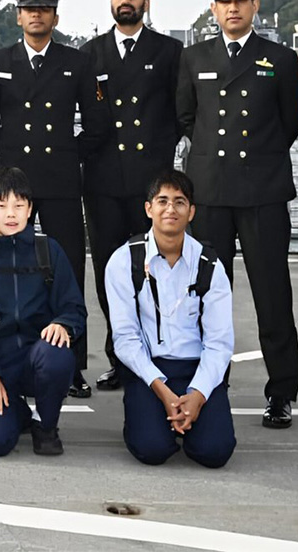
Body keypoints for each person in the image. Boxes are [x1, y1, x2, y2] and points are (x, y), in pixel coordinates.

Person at [177, 0, 298, 429]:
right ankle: (211, 385)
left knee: (273, 296)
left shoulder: (281, 59)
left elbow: (289, 123)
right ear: (213, 9)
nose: (232, 7)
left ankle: (281, 392)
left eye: (241, 0)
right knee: (208, 296)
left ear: (255, 5)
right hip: (210, 192)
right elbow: (186, 117)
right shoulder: (195, 58)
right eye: (224, 1)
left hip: (263, 191)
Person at [0, 0, 108, 397]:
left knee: (67, 268)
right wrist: (17, 159)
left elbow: (96, 123)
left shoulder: (77, 61)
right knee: (8, 269)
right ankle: (11, 353)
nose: (36, 14)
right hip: (13, 186)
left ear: (55, 16)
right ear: (18, 16)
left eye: (44, 9)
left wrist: (65, 154)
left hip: (61, 180)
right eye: (29, 8)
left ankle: (71, 365)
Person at [79, 0, 181, 393]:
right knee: (109, 272)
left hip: (149, 185)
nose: (127, 2)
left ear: (146, 2)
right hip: (102, 182)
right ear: (111, 2)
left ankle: (156, 354)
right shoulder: (90, 53)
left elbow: (182, 113)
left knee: (153, 272)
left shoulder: (170, 52)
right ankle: (121, 356)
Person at [105, 169, 235, 468]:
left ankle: (190, 418)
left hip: (196, 368)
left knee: (214, 453)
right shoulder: (125, 260)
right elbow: (125, 338)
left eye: (179, 202)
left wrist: (197, 394)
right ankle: (151, 418)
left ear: (191, 212)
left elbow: (219, 342)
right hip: (149, 371)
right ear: (148, 209)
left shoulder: (210, 265)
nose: (170, 209)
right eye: (162, 201)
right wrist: (162, 390)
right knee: (151, 450)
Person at [0, 167, 86, 457]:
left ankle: (45, 424)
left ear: (30, 209)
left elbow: (73, 306)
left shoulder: (48, 250)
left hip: (36, 359)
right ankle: (16, 409)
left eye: (19, 205)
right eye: (1, 206)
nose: (11, 214)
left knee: (56, 351)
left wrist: (63, 325)